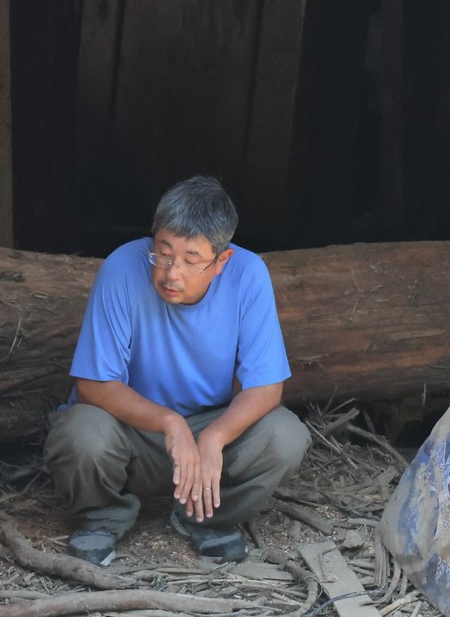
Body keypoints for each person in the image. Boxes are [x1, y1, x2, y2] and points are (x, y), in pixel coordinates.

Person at [44, 175, 311, 566]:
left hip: (206, 427)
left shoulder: (249, 275)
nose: (171, 273)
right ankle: (100, 518)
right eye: (163, 253)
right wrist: (170, 423)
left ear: (222, 261)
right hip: (131, 429)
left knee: (285, 437)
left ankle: (206, 518)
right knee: (80, 432)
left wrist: (215, 437)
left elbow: (267, 388)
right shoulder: (121, 268)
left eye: (190, 260)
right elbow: (93, 385)